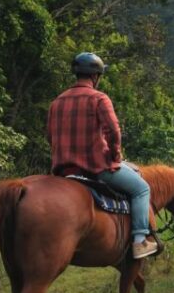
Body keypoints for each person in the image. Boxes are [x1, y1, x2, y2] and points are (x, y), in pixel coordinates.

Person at [47, 52, 158, 259]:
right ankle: (139, 241)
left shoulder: (57, 102)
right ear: (96, 76)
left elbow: (49, 136)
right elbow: (113, 131)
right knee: (142, 189)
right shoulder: (99, 98)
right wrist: (115, 156)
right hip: (95, 168)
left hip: (64, 171)